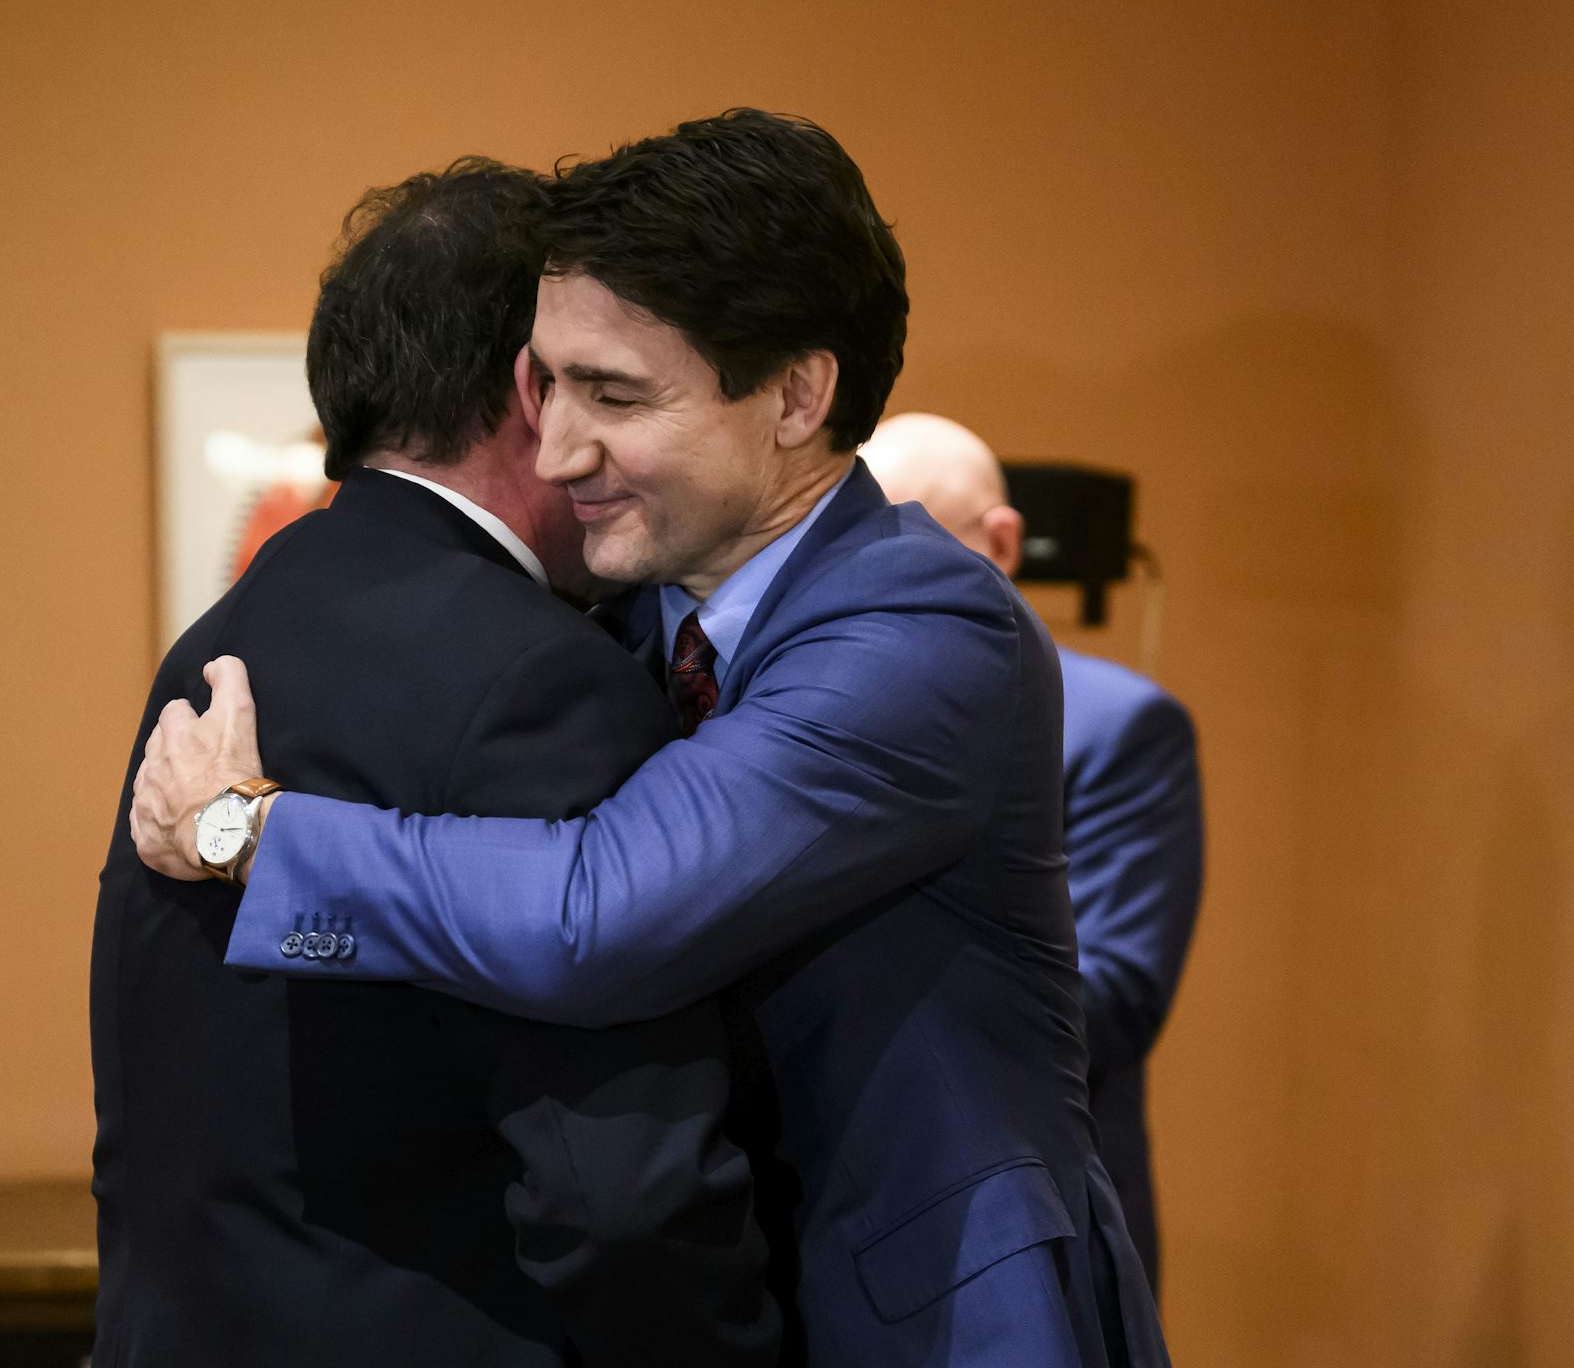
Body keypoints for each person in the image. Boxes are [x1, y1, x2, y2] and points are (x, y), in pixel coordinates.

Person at [132, 111, 1169, 1366]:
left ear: (798, 394)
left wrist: (248, 826)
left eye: (615, 395)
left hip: (943, 1324)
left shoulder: (927, 623)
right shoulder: (621, 618)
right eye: (547, 384)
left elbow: (602, 907)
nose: (560, 450)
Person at [91, 158, 778, 1368]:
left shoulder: (223, 637)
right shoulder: (542, 679)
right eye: (604, 383)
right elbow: (618, 1194)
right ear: (536, 388)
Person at [862, 412, 1206, 1292]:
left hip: (1035, 1210)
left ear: (1003, 542)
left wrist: (856, 1029)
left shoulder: (1116, 724)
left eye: (908, 547)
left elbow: (1117, 992)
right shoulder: (825, 705)